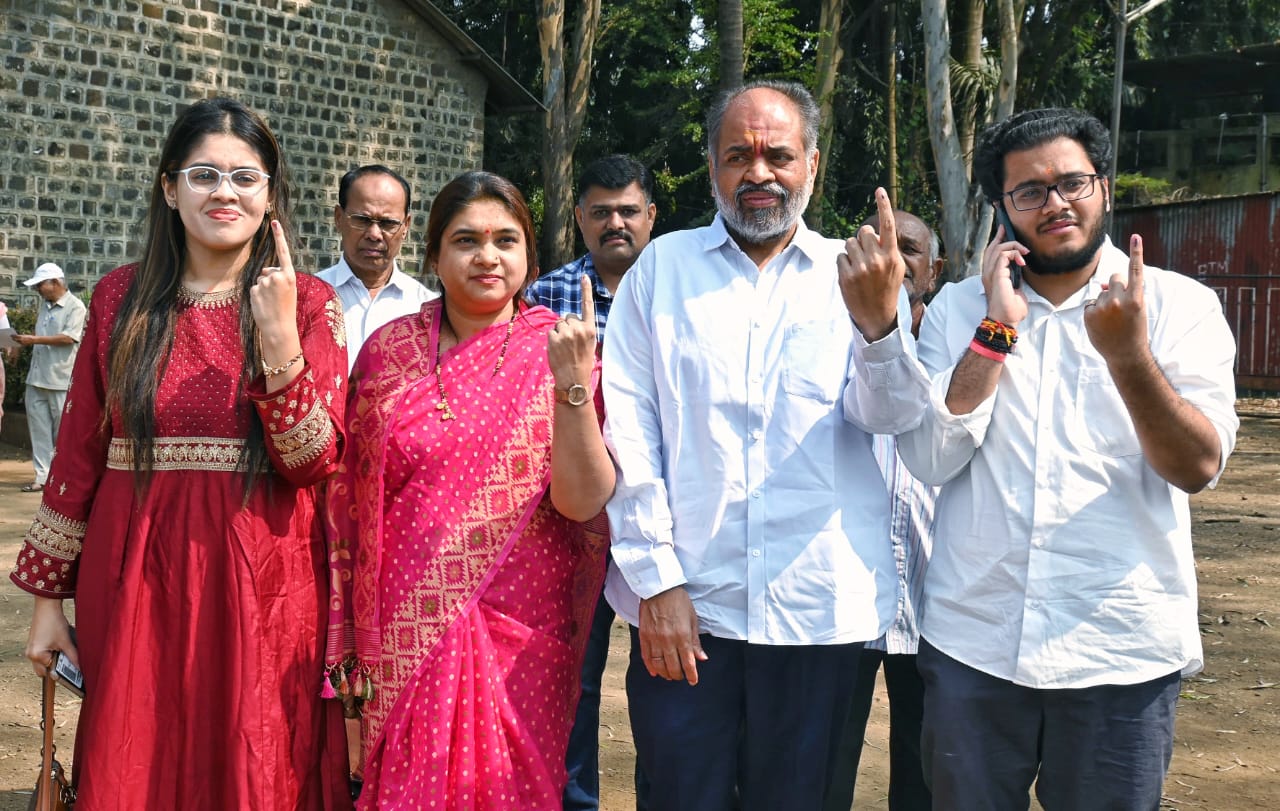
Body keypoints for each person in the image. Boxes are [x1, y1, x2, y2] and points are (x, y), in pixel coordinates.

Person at [13, 97, 352, 810]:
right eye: (203, 175)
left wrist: (280, 338)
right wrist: (48, 600)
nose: (223, 192)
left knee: (255, 756)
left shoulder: (312, 301)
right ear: (170, 188)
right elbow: (77, 457)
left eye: (244, 178)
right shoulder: (118, 299)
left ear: (269, 196)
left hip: (265, 575)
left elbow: (313, 462)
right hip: (136, 567)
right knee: (135, 751)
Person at [897, 107, 1239, 810]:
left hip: (1119, 648)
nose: (1054, 203)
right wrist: (995, 331)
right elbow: (929, 458)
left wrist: (1127, 354)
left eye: (1071, 183)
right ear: (1003, 209)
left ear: (1104, 188)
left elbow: (1198, 465)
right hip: (976, 643)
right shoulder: (960, 309)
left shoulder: (1181, 307)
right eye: (1029, 191)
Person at [602, 79, 930, 809]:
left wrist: (880, 325)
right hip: (689, 613)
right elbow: (630, 432)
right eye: (738, 155)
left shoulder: (860, 277)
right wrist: (656, 581)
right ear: (712, 165)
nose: (758, 173)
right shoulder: (662, 273)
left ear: (811, 162)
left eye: (777, 154)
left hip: (818, 611)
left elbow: (894, 419)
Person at [322, 171, 615, 810]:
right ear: (433, 255)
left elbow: (583, 502)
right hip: (405, 628)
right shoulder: (387, 352)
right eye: (466, 240)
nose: (487, 256)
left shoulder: (563, 350)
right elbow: (350, 508)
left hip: (521, 626)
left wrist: (572, 383)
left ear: (529, 258)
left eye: (506, 240)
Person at [525, 153, 657, 811]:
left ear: (651, 217)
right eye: (600, 211)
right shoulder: (543, 297)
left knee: (666, 677)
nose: (615, 223)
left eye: (628, 210)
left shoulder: (678, 296)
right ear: (578, 217)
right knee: (572, 678)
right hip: (571, 520)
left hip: (661, 517)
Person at [825, 210, 942, 811]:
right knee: (823, 772)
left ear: (933, 270)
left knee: (926, 782)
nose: (889, 259)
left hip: (935, 606)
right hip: (843, 603)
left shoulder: (959, 349)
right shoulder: (823, 341)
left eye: (908, 249)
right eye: (873, 245)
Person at [316, 164, 437, 374]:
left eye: (388, 223)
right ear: (338, 218)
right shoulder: (308, 298)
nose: (374, 234)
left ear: (406, 226)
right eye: (362, 220)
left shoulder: (426, 307)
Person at [12, 262, 86, 492]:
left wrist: (33, 340)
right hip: (36, 378)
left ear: (55, 282)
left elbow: (68, 338)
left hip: (60, 380)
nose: (37, 290)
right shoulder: (45, 306)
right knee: (39, 430)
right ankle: (42, 478)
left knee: (62, 433)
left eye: (40, 285)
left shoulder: (76, 307)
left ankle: (61, 478)